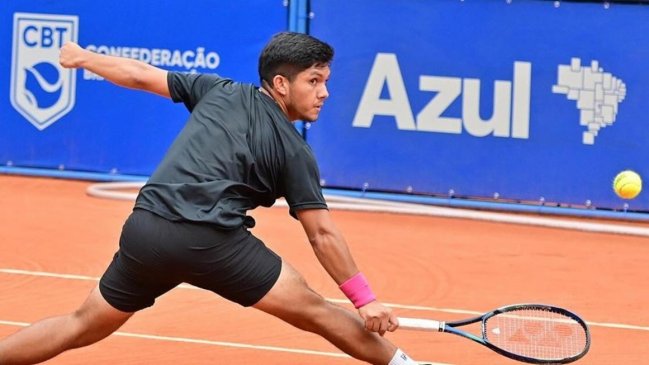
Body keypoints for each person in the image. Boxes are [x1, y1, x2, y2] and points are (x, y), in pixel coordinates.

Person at [0, 32, 422, 365]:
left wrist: (83, 57)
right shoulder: (295, 153)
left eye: (325, 82)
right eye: (313, 81)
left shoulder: (218, 90)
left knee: (81, 325)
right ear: (280, 83)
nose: (323, 93)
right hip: (211, 243)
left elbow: (138, 73)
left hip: (145, 232)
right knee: (319, 313)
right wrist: (366, 301)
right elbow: (322, 236)